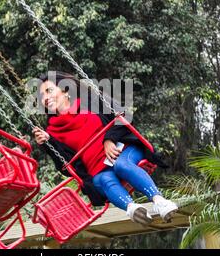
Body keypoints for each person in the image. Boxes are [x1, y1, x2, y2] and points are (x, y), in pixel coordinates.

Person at [32, 71, 178, 226]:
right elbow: (66, 166)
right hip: (97, 168)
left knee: (122, 165)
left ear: (65, 89)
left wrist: (109, 139)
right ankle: (133, 209)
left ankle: (159, 201)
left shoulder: (91, 100)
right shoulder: (53, 132)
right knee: (103, 180)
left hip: (122, 150)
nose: (45, 99)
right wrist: (48, 144)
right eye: (41, 96)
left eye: (49, 91)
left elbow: (123, 115)